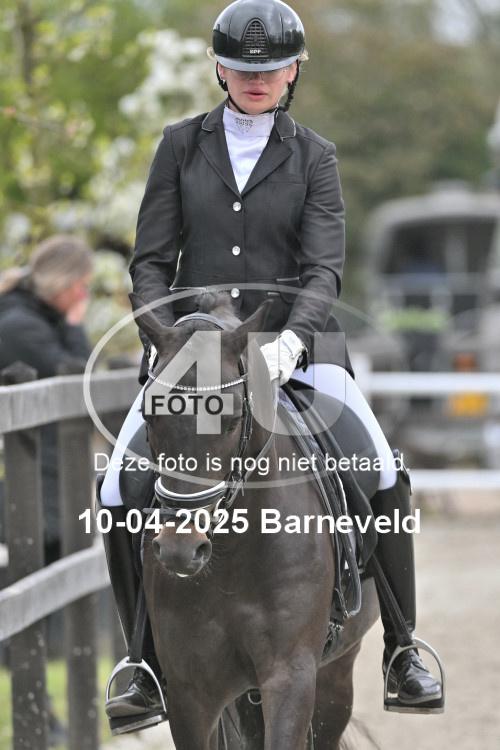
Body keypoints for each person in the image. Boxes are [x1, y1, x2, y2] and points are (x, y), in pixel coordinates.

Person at [97, 0, 442, 733]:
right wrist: (164, 336)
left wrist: (291, 340)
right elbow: (150, 261)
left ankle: (403, 647)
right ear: (220, 70)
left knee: (381, 470)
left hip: (296, 351)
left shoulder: (315, 155)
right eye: (242, 67)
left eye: (272, 68)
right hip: (194, 358)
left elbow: (323, 269)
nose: (257, 79)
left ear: (293, 72)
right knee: (119, 481)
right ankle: (142, 661)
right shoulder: (179, 145)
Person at [0, 234, 93, 561]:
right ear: (62, 282)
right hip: (33, 477)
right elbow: (79, 377)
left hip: (44, 469)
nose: (83, 296)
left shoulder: (35, 320)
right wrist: (74, 323)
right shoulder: (20, 327)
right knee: (40, 561)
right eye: (81, 286)